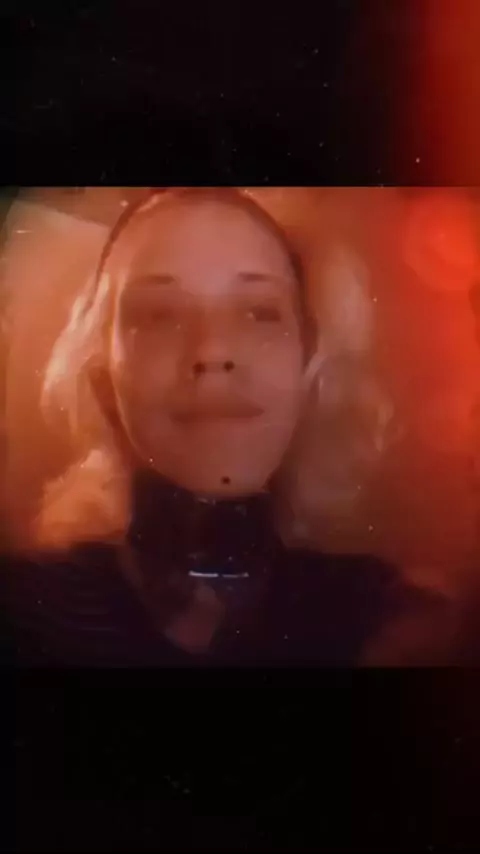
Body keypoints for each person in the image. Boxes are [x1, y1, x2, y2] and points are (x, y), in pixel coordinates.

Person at [0, 187, 458, 666]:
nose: (213, 351)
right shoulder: (23, 611)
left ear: (308, 368)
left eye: (260, 312)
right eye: (159, 314)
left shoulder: (400, 621)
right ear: (103, 382)